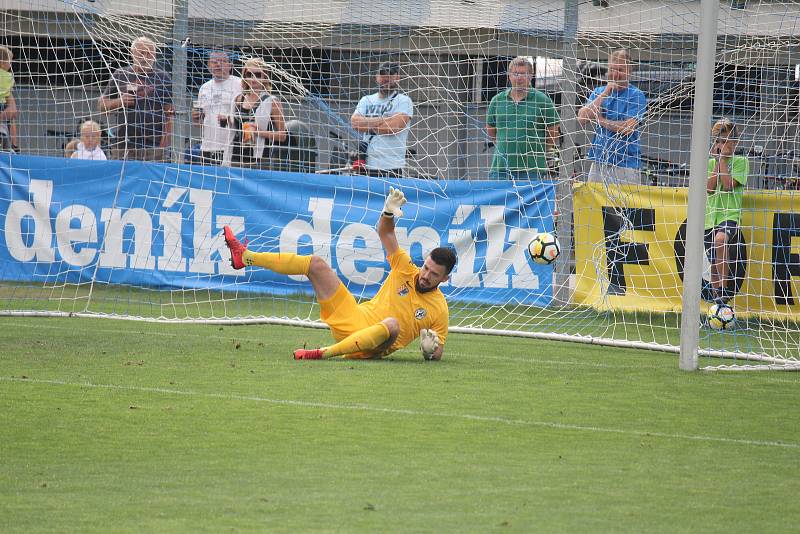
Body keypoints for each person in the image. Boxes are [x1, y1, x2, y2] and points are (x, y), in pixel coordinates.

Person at [222, 187, 456, 361]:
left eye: (434, 274)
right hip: (353, 317)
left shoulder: (439, 309)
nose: (425, 275)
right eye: (426, 267)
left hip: (371, 346)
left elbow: (438, 351)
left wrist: (429, 351)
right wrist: (387, 213)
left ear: (444, 279)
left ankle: (322, 354)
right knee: (316, 264)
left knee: (392, 324)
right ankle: (245, 257)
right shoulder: (405, 267)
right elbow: (385, 233)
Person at [577, 49, 647, 185]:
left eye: (620, 70)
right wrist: (604, 94)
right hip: (599, 162)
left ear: (629, 72)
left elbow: (627, 128)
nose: (615, 74)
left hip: (626, 165)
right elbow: (582, 118)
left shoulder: (636, 95)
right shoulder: (599, 91)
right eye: (612, 69)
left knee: (625, 206)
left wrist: (602, 121)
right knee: (593, 205)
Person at [98, 36, 173, 162]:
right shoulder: (120, 74)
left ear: (154, 55)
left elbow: (170, 113)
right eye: (141, 53)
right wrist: (119, 101)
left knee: (151, 181)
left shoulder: (163, 77)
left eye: (149, 53)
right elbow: (101, 105)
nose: (145, 57)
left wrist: (164, 143)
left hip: (152, 144)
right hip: (123, 143)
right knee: (121, 179)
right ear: (132, 54)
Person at [486, 57, 560, 180]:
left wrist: (540, 150)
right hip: (501, 168)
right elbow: (491, 128)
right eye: (515, 74)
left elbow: (554, 131)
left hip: (532, 169)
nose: (519, 77)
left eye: (523, 74)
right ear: (509, 75)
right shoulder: (497, 100)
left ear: (531, 76)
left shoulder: (542, 100)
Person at [705, 118, 748, 303]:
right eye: (718, 142)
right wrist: (717, 161)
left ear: (734, 142)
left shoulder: (741, 162)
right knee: (713, 262)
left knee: (721, 240)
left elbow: (728, 184)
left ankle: (724, 288)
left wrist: (722, 159)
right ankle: (719, 305)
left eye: (725, 141)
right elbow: (709, 188)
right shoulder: (710, 163)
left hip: (729, 215)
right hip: (710, 218)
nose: (721, 145)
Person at [350, 62, 414, 178]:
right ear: (377, 77)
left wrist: (367, 123)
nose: (386, 78)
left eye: (390, 75)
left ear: (397, 78)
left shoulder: (404, 100)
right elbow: (355, 123)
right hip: (367, 166)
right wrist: (385, 119)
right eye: (383, 75)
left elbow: (393, 127)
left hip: (392, 167)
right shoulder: (366, 100)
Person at [223, 58, 287, 168]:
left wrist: (259, 132)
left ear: (264, 77)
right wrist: (227, 119)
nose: (253, 79)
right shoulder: (238, 99)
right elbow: (234, 129)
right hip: (235, 157)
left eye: (258, 75)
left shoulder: (272, 101)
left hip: (260, 159)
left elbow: (283, 136)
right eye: (249, 74)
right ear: (244, 76)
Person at [192, 51, 242, 166]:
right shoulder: (204, 88)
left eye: (223, 61)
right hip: (207, 147)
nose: (218, 64)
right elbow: (198, 124)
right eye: (214, 62)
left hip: (231, 147)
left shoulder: (239, 84)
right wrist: (195, 118)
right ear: (209, 66)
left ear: (230, 66)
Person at [0, 45, 18, 152]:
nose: (10, 65)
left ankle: (12, 147)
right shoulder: (8, 77)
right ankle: (13, 147)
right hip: (2, 105)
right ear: (2, 63)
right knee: (10, 118)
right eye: (9, 62)